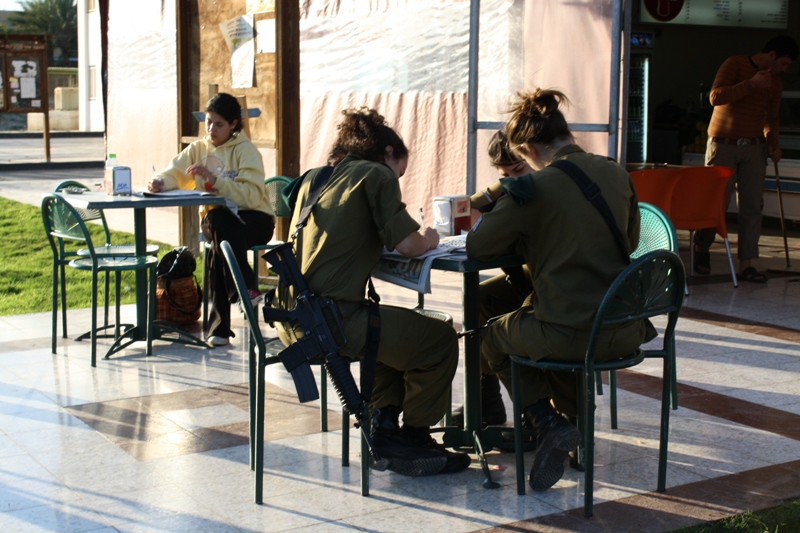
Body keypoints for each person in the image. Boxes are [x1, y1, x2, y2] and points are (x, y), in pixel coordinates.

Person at [466, 89, 647, 492]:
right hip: (623, 325)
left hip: (572, 330)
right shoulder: (616, 171)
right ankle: (564, 430)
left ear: (529, 148)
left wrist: (501, 193)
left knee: (492, 335)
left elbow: (478, 245)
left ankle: (546, 422)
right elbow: (631, 240)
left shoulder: (538, 187)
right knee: (526, 313)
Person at [275, 108, 470, 476]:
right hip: (335, 324)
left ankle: (383, 424)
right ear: (387, 154)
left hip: (295, 320)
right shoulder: (376, 174)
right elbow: (411, 245)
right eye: (400, 170)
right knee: (440, 338)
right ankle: (414, 438)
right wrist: (430, 237)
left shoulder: (316, 177)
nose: (398, 178)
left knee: (393, 330)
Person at [149, 93, 274, 346]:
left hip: (254, 219)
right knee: (218, 224)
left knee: (220, 243)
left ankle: (219, 329)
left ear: (233, 125)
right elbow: (175, 172)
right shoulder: (198, 149)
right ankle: (245, 288)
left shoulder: (246, 151)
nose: (211, 129)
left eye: (219, 124)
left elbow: (251, 196)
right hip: (217, 220)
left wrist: (216, 181)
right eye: (208, 122)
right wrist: (160, 182)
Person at [694, 36, 798, 283]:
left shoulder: (775, 83)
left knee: (752, 205)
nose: (783, 70)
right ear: (771, 55)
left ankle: (746, 263)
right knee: (716, 200)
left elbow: (771, 117)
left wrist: (773, 145)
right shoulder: (735, 64)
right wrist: (751, 84)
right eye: (783, 63)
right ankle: (702, 247)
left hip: (754, 147)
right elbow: (715, 97)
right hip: (723, 144)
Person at [451, 128, 534, 428]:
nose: (513, 178)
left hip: (558, 284)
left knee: (503, 323)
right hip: (533, 275)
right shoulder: (516, 188)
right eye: (504, 173)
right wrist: (498, 189)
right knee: (480, 299)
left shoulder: (549, 188)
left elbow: (481, 243)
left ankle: (538, 410)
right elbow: (468, 208)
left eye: (518, 169)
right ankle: (485, 401)